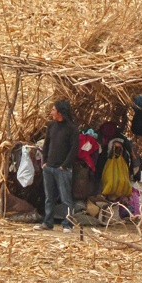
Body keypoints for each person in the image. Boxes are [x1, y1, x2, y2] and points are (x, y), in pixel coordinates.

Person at [34, 99, 80, 233]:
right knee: (49, 197)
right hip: (49, 167)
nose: (52, 112)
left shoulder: (72, 128)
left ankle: (68, 224)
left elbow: (74, 149)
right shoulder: (51, 126)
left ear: (60, 112)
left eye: (54, 110)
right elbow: (46, 144)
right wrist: (44, 162)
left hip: (63, 169)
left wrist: (65, 165)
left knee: (66, 198)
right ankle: (47, 222)